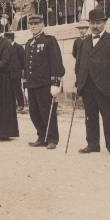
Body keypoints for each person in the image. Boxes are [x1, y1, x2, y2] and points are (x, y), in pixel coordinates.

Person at [74, 9, 110, 156]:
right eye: (92, 23)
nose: (95, 26)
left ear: (104, 23)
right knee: (90, 117)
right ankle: (92, 144)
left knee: (109, 117)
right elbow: (79, 64)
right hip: (87, 86)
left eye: (98, 23)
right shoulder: (84, 42)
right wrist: (79, 82)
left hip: (105, 86)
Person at [23, 14, 65, 149]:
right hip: (32, 83)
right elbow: (26, 64)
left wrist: (55, 83)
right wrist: (25, 83)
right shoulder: (29, 43)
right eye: (31, 24)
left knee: (47, 112)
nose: (33, 26)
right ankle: (42, 136)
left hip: (45, 84)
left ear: (42, 25)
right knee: (34, 113)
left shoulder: (49, 41)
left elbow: (56, 62)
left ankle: (52, 138)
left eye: (36, 24)